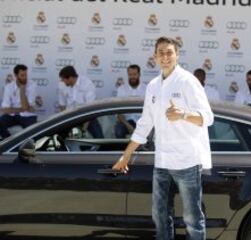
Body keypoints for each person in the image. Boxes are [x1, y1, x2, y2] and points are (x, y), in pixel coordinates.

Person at [112, 36, 213, 240]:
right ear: (155, 56)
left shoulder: (188, 81)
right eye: (161, 53)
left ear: (177, 55)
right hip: (162, 161)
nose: (165, 57)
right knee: (160, 215)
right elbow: (145, 124)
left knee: (192, 219)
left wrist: (182, 114)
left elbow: (208, 117)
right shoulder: (153, 86)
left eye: (169, 52)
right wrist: (126, 156)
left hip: (187, 161)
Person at [58, 66, 104, 138]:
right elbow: (62, 106)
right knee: (63, 137)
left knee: (99, 137)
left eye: (63, 79)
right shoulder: (62, 85)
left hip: (86, 116)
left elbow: (90, 108)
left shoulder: (87, 84)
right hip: (70, 117)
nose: (62, 81)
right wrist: (65, 124)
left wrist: (83, 130)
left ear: (70, 78)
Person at [0, 64, 37, 139]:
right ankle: (8, 141)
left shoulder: (32, 85)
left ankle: (27, 147)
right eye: (22, 75)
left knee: (33, 133)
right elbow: (5, 109)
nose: (25, 77)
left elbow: (25, 107)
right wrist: (22, 109)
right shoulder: (9, 87)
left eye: (26, 75)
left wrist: (22, 89)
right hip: (12, 116)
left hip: (28, 116)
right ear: (16, 76)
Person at [115, 64, 146, 138]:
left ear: (139, 74)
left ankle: (144, 149)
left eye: (135, 74)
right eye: (130, 74)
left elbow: (150, 110)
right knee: (118, 131)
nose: (132, 77)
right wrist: (128, 125)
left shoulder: (146, 89)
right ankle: (123, 149)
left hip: (142, 121)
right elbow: (118, 112)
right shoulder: (121, 89)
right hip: (126, 121)